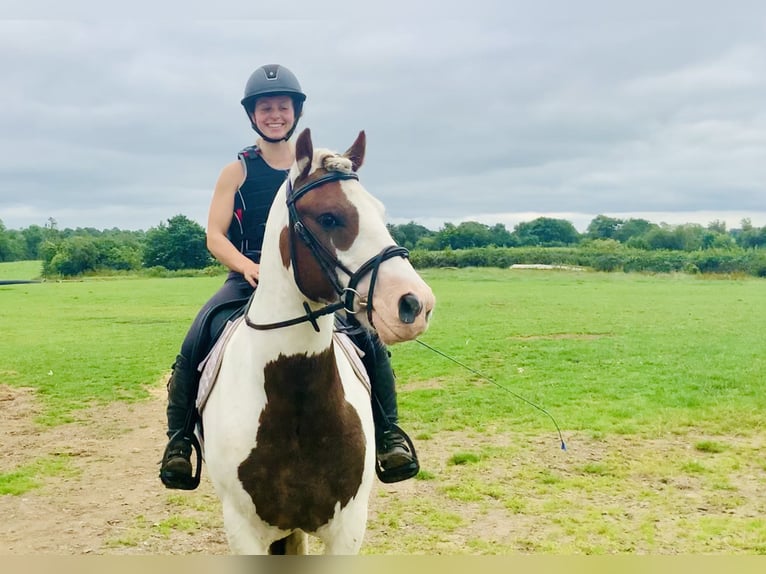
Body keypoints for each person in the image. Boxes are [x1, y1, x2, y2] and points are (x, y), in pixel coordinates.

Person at [159, 64, 418, 490]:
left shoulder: (319, 166)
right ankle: (181, 440)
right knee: (199, 333)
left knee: (367, 339)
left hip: (315, 277)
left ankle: (389, 433)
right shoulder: (238, 171)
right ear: (253, 116)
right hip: (252, 276)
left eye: (282, 107)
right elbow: (214, 235)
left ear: (295, 113)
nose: (274, 114)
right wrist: (244, 265)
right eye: (265, 108)